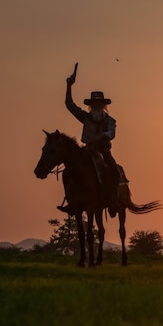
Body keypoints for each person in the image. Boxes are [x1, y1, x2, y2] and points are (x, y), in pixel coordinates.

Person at [58, 68, 120, 217]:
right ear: (91, 105)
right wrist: (69, 86)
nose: (96, 106)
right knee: (69, 171)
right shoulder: (85, 117)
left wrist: (100, 137)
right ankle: (71, 201)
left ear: (103, 105)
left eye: (99, 104)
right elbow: (69, 104)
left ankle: (112, 201)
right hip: (88, 150)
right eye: (94, 104)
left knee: (115, 172)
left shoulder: (110, 120)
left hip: (104, 151)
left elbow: (111, 133)